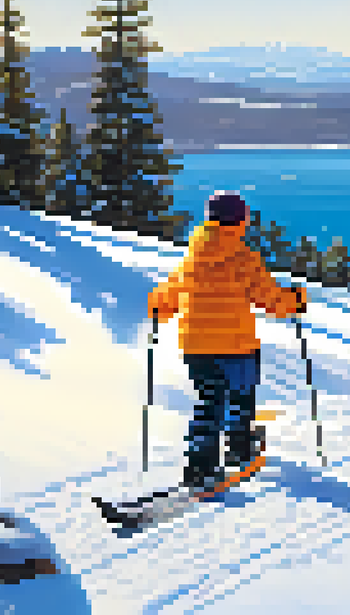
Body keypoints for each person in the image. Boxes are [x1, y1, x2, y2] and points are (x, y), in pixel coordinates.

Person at [147, 191, 307, 490]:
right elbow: (270, 299)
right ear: (240, 220)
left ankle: (199, 467)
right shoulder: (243, 257)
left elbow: (168, 296)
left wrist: (158, 309)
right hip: (237, 346)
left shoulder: (192, 255)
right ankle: (239, 449)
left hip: (195, 347)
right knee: (241, 398)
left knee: (208, 403)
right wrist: (295, 301)